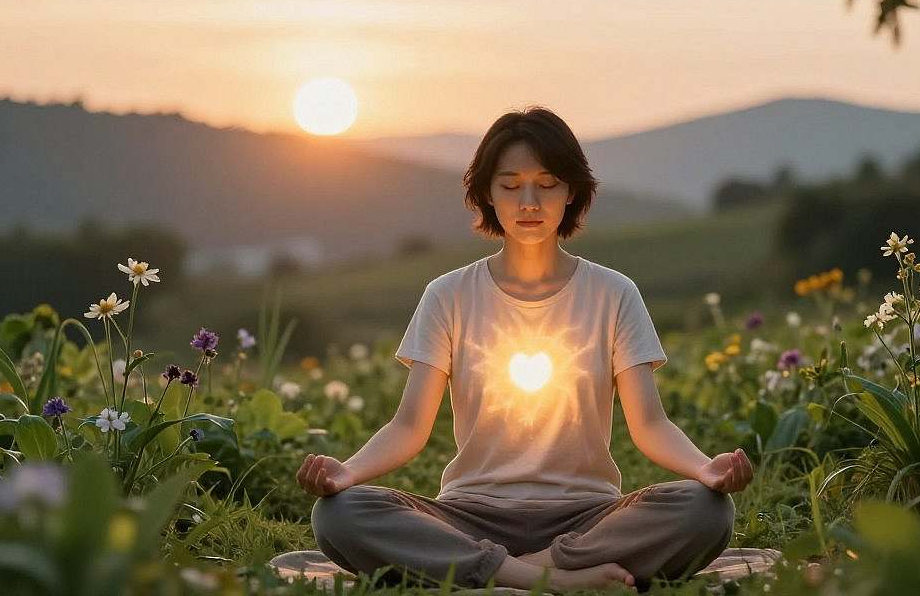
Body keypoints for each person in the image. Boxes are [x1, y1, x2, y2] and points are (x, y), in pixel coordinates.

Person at [297, 106, 754, 593]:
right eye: (511, 186)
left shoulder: (614, 293)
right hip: (469, 515)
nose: (529, 202)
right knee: (340, 514)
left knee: (706, 510)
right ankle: (547, 578)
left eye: (547, 183)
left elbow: (651, 425)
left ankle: (515, 568)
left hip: (588, 517)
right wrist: (348, 473)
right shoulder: (448, 295)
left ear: (571, 190)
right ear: (487, 194)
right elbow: (409, 427)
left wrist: (704, 468)